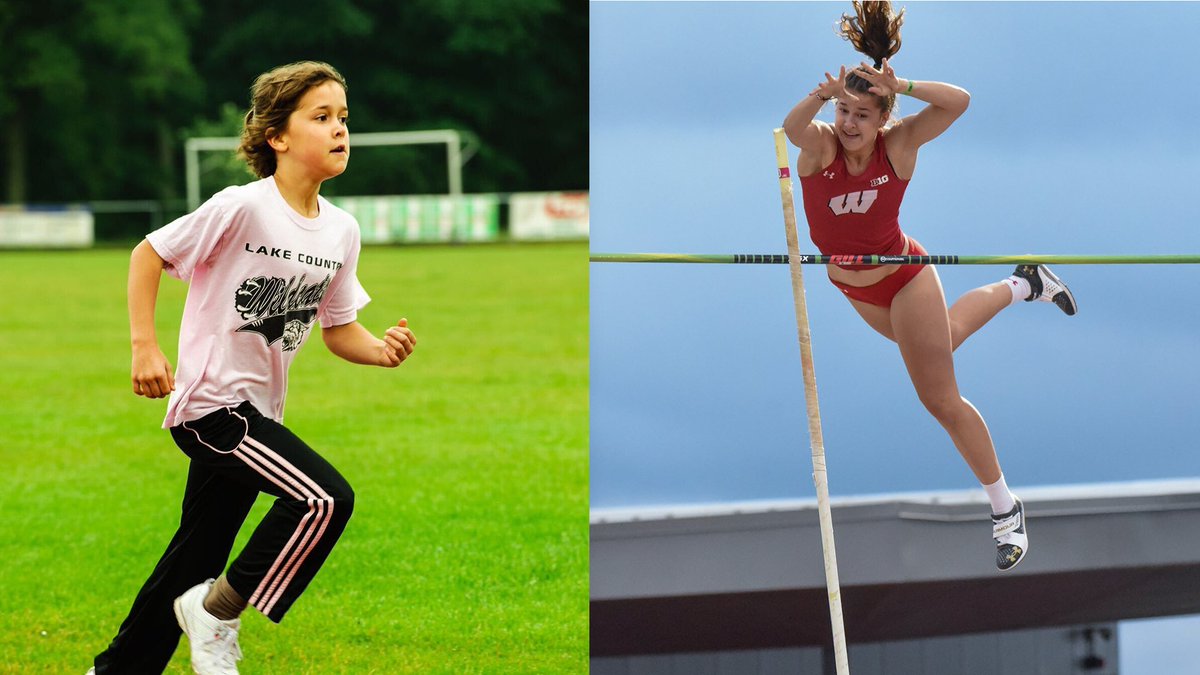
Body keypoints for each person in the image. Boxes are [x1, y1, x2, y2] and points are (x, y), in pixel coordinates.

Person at [89, 61, 416, 674]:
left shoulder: (342, 231)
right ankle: (217, 614)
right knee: (323, 500)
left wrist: (380, 350)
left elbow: (338, 328)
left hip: (259, 411)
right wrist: (143, 346)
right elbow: (149, 253)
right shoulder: (242, 207)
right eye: (321, 117)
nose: (340, 129)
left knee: (194, 561)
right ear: (277, 136)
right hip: (214, 410)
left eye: (344, 117)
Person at [782, 2, 1076, 572]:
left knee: (937, 396)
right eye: (844, 110)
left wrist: (904, 84)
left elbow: (959, 102)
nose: (849, 123)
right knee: (948, 337)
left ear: (883, 119)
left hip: (904, 276)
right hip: (855, 287)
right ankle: (1025, 284)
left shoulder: (900, 147)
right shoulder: (820, 146)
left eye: (862, 115)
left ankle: (1004, 507)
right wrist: (820, 97)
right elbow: (793, 128)